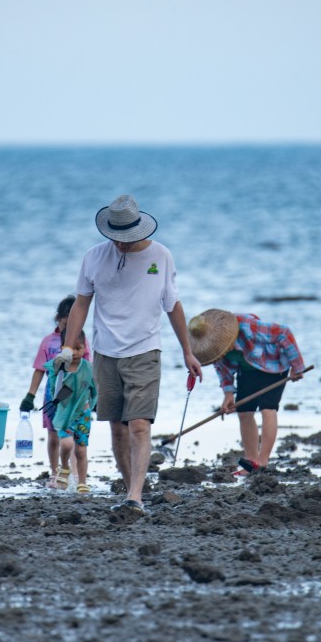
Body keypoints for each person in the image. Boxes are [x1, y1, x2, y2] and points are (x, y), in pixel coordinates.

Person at [56, 194, 203, 515]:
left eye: (127, 237)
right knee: (117, 428)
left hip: (145, 351)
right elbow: (81, 304)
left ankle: (135, 495)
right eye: (115, 237)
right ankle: (130, 491)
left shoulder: (161, 256)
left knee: (138, 424)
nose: (121, 244)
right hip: (105, 353)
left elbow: (173, 306)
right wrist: (68, 346)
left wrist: (188, 352)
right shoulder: (94, 257)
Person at [187, 309, 306, 475]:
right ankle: (251, 463)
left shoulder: (248, 326)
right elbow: (223, 370)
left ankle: (262, 462)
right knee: (243, 412)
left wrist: (297, 367)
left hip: (273, 365)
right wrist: (228, 394)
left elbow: (284, 333)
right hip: (247, 371)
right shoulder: (211, 348)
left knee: (268, 408)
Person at [19, 295, 91, 485]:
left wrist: (93, 397)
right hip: (54, 397)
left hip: (76, 398)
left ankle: (74, 474)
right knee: (53, 435)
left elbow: (89, 369)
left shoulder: (81, 340)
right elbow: (39, 370)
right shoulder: (48, 342)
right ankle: (54, 471)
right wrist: (30, 395)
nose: (68, 329)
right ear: (58, 318)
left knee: (72, 436)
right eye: (65, 323)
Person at [45, 329, 97, 494]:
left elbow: (95, 390)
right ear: (63, 348)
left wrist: (92, 405)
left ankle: (82, 481)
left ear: (85, 348)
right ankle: (65, 467)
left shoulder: (88, 368)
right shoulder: (59, 367)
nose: (74, 352)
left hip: (83, 414)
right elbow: (53, 387)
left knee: (81, 449)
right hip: (65, 413)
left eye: (78, 348)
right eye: (71, 348)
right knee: (67, 443)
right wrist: (57, 367)